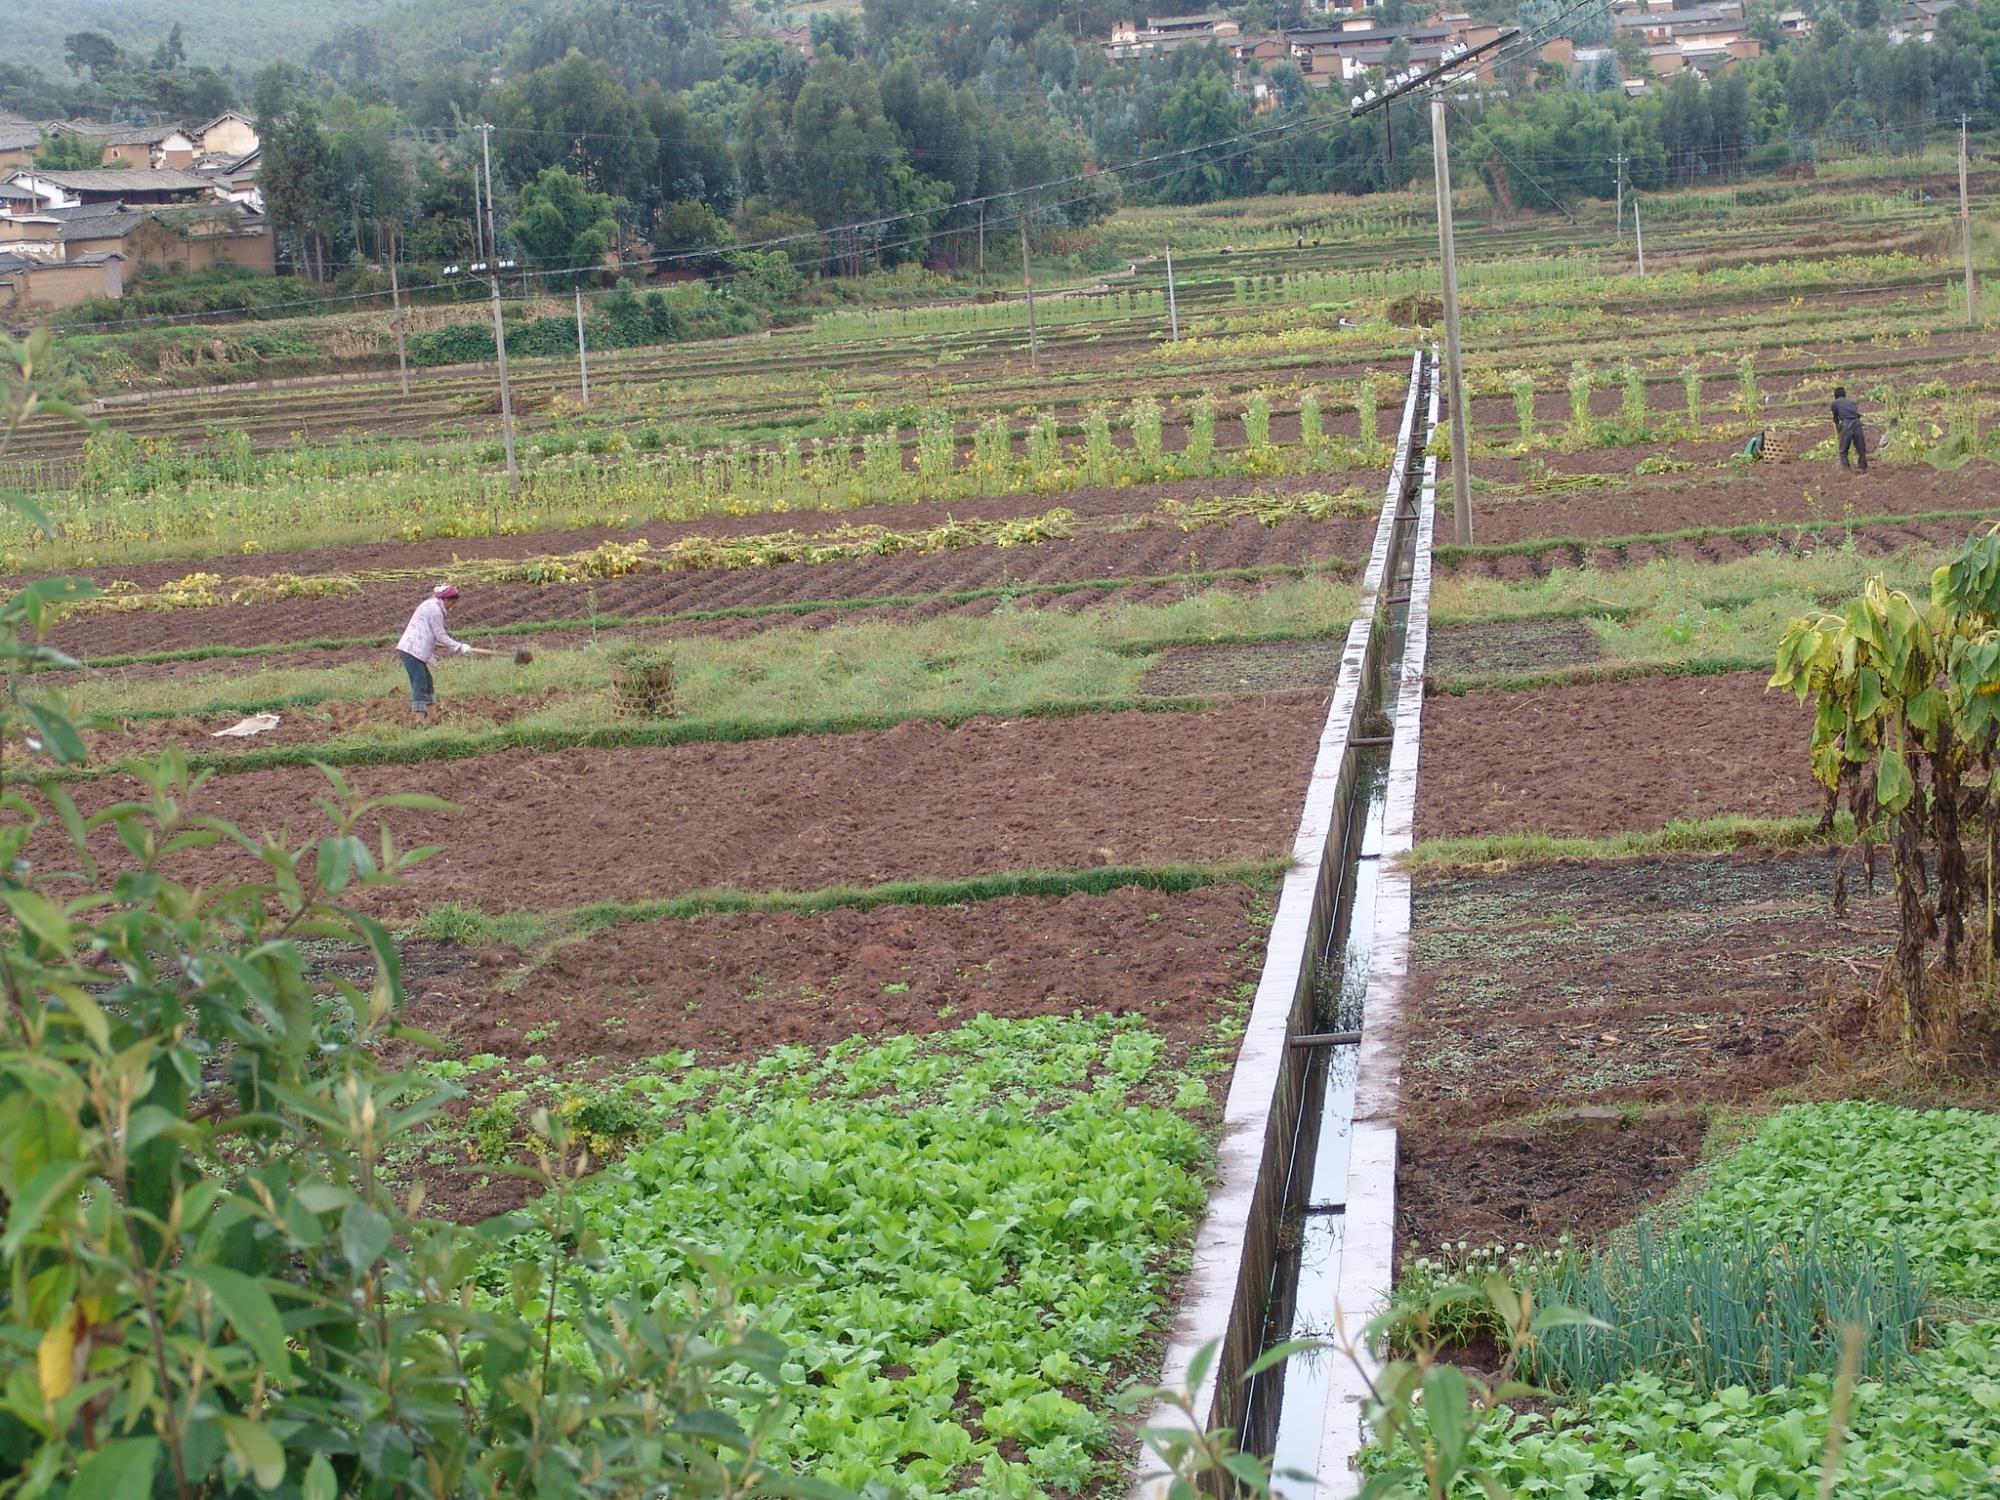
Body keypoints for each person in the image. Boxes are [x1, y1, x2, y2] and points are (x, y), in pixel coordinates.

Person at [395, 584, 472, 718]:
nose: (451, 607)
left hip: (414, 648)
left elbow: (433, 635)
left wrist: (454, 646)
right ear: (447, 600)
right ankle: (419, 719)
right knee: (420, 683)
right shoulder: (435, 611)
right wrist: (458, 647)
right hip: (412, 650)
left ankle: (433, 717)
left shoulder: (430, 604)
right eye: (452, 603)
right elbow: (440, 635)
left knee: (428, 682)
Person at [1831, 386, 1868, 472]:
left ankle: (1846, 470)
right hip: (1857, 424)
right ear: (1844, 394)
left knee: (1843, 450)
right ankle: (1863, 467)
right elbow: (1856, 414)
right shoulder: (1851, 402)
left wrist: (1839, 431)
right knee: (1861, 448)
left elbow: (1836, 419)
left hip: (1846, 424)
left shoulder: (1835, 403)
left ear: (1835, 395)